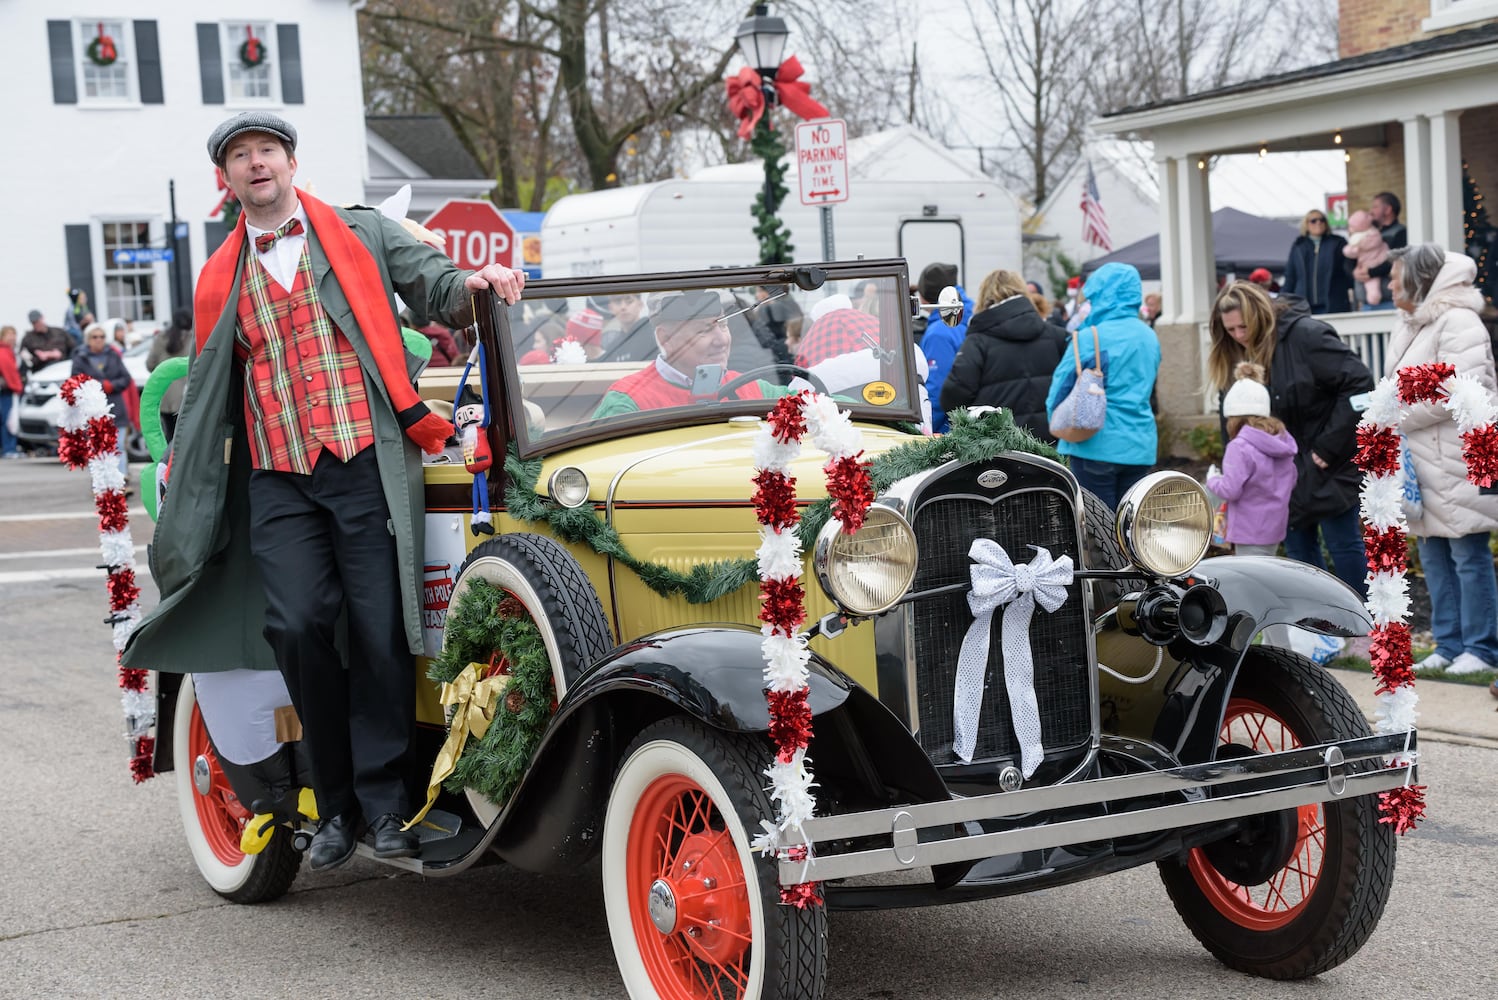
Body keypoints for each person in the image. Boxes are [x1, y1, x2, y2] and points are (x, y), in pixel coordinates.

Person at [118, 111, 526, 873]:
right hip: (278, 474)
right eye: (240, 156)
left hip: (365, 460)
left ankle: (382, 806)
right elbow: (211, 390)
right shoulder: (221, 275)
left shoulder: (361, 232)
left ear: (291, 161)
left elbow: (433, 280)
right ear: (228, 178)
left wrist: (475, 285)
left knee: (378, 631)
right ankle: (331, 803)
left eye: (266, 150)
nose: (256, 164)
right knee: (299, 623)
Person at [1207, 281, 1372, 597]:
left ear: (1261, 316)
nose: (1239, 335)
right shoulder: (1234, 353)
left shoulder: (1306, 335)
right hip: (1274, 472)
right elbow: (1231, 419)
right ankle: (1316, 629)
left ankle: (1363, 623)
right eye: (1231, 330)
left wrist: (1327, 448)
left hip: (1325, 462)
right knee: (1298, 551)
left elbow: (1360, 386)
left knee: (1342, 542)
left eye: (1245, 326)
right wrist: (1235, 468)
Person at [1385, 244, 1498, 675]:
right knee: (1432, 554)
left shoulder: (1459, 320)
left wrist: (1396, 414)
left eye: (1397, 277)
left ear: (1419, 279)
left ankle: (1482, 648)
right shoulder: (1410, 323)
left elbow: (1464, 388)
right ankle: (1449, 644)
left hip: (1457, 458)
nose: (1391, 284)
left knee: (1468, 554)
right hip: (1421, 463)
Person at [1043, 263, 1161, 508]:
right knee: (1131, 530)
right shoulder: (1149, 335)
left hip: (1093, 445)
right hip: (1140, 444)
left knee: (1100, 532)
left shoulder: (1089, 336)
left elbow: (1057, 395)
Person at [594, 290, 795, 417]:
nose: (722, 340)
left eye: (723, 325)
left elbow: (813, 405)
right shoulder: (627, 402)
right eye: (704, 330)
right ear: (666, 339)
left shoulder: (754, 390)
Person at [940, 268, 1067, 442]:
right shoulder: (1058, 336)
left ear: (985, 296)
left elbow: (953, 395)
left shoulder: (978, 341)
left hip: (997, 447)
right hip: (1053, 443)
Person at [1204, 362, 1297, 555]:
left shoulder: (1239, 447)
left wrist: (1212, 480)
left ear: (1232, 417)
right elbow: (1292, 480)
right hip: (1275, 528)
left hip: (1247, 530)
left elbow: (1230, 490)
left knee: (1249, 580)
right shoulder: (1282, 442)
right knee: (1265, 575)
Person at [71, 323, 134, 481]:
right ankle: (101, 480)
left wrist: (112, 385)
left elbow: (126, 378)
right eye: (95, 337)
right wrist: (98, 385)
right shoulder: (80, 358)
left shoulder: (113, 355)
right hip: (94, 409)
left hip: (116, 406)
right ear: (88, 340)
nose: (99, 340)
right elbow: (76, 381)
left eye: (102, 337)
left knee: (118, 445)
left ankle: (121, 477)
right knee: (98, 446)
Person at [917, 262, 971, 433]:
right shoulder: (970, 315)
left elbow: (937, 390)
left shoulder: (939, 332)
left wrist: (923, 428)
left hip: (947, 430)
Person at [1281, 209, 1352, 314]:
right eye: (1313, 220)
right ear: (1306, 225)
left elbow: (1348, 270)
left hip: (1333, 303)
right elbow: (1290, 276)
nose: (1318, 223)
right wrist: (1281, 300)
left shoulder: (1338, 243)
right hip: (1304, 305)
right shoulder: (1299, 246)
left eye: (1322, 220)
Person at [146, 308, 193, 441]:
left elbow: (150, 364)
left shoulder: (161, 338)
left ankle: (169, 461)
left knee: (169, 434)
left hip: (164, 393)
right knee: (185, 437)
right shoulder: (193, 338)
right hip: (187, 393)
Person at [1359, 192, 1407, 309]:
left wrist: (1370, 272)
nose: (1371, 211)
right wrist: (1354, 272)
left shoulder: (1400, 233)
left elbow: (1396, 260)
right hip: (1366, 302)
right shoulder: (1368, 234)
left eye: (1375, 207)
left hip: (1389, 300)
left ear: (1388, 209)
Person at [1342, 210, 1389, 308]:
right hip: (1364, 299)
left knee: (1373, 287)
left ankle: (1374, 298)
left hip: (1373, 265)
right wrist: (1354, 272)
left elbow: (1351, 251)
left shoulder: (1364, 238)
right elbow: (1348, 262)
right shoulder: (1372, 232)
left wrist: (1371, 272)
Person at [19, 310, 70, 376]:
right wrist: (38, 358)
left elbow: (73, 348)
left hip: (63, 368)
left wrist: (59, 356)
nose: (36, 324)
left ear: (42, 318)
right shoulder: (28, 339)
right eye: (34, 323)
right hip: (41, 371)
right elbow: (24, 355)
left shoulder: (59, 332)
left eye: (37, 321)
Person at [0, 325, 22, 458]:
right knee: (8, 420)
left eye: (14, 334)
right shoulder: (3, 351)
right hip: (7, 390)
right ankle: (9, 449)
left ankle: (11, 447)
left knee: (10, 419)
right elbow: (9, 372)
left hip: (9, 389)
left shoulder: (11, 351)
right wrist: (17, 386)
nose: (12, 337)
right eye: (9, 334)